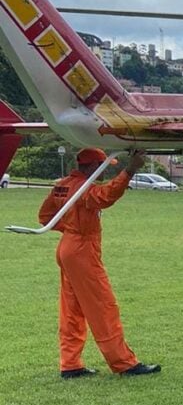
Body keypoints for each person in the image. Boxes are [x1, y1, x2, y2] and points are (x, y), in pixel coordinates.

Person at [37, 148, 161, 379]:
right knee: (103, 306)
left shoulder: (63, 185)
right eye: (103, 167)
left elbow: (45, 217)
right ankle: (124, 363)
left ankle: (70, 363)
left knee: (72, 309)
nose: (105, 171)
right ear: (93, 167)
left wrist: (71, 231)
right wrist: (130, 169)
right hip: (82, 251)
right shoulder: (83, 188)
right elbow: (106, 196)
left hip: (68, 248)